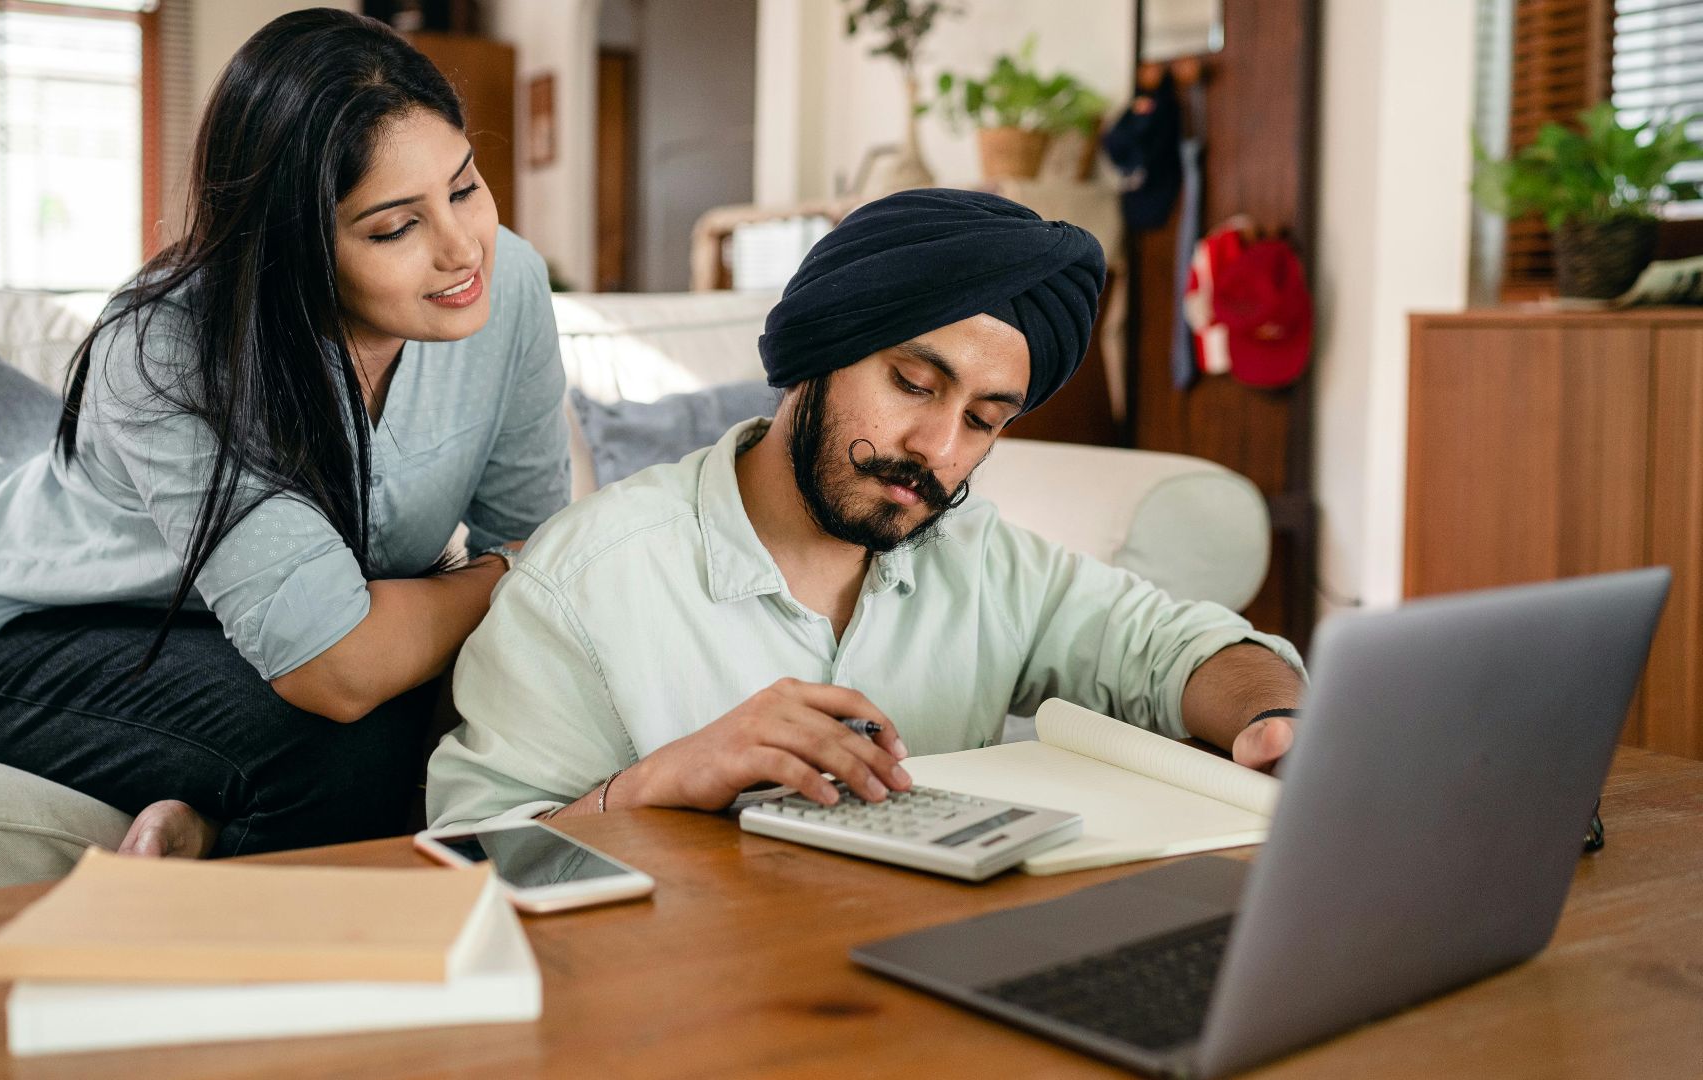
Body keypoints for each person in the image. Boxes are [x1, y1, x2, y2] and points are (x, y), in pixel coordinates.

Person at [427, 189, 1304, 828]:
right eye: (914, 384)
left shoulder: (978, 559)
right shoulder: (587, 583)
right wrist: (661, 780)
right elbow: (470, 861)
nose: (941, 448)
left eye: (984, 421)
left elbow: (1183, 648)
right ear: (823, 348)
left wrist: (1275, 723)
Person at [0, 9, 569, 858]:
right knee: (350, 739)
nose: (461, 249)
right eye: (396, 226)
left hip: (258, 641)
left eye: (465, 187)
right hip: (45, 639)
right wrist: (508, 576)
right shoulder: (164, 349)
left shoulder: (507, 282)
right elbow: (338, 663)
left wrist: (500, 578)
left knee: (483, 699)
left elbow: (529, 539)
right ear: (294, 242)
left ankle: (209, 814)